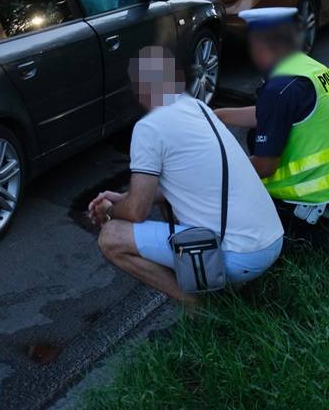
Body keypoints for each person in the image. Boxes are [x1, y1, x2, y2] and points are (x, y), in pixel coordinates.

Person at [91, 47, 284, 303]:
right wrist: (121, 196)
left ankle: (197, 307)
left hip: (241, 255)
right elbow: (180, 186)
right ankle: (215, 285)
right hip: (271, 241)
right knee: (166, 202)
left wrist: (108, 211)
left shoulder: (149, 127)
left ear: (139, 89)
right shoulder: (198, 108)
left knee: (111, 237)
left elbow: (136, 211)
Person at [214, 8, 329, 247]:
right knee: (258, 137)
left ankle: (301, 233)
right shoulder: (311, 69)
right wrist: (217, 115)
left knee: (226, 201)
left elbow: (265, 167)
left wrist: (217, 171)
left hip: (318, 198)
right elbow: (269, 115)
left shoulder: (279, 89)